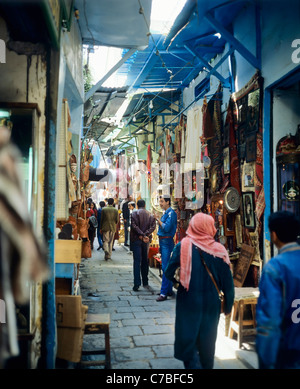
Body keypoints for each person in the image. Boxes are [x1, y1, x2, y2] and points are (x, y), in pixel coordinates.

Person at [165, 212, 234, 369]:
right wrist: (228, 307)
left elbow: (168, 272)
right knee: (208, 343)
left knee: (188, 340)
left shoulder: (182, 246)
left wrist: (181, 280)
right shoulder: (220, 251)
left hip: (188, 301)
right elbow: (228, 285)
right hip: (211, 304)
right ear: (210, 228)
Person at [256, 211, 300, 369]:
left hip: (289, 352)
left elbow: (270, 321)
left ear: (273, 235)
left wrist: (266, 361)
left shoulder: (275, 268)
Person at [153, 195, 177, 301]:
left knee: (165, 267)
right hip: (163, 241)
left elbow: (166, 228)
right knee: (167, 266)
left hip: (167, 241)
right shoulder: (166, 213)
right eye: (160, 201)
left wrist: (158, 220)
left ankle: (163, 293)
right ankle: (168, 290)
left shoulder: (171, 213)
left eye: (162, 201)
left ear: (168, 202)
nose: (160, 203)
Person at [130, 199, 156, 291]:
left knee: (137, 261)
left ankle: (137, 283)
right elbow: (153, 226)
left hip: (137, 239)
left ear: (137, 205)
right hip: (146, 240)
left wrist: (141, 235)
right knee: (145, 260)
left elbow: (134, 226)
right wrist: (146, 235)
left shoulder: (134, 214)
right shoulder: (150, 214)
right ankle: (145, 281)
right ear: (145, 205)